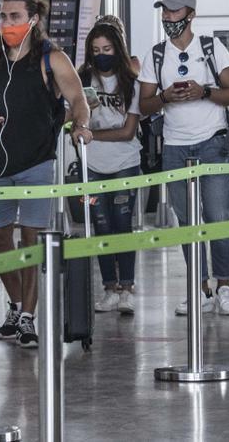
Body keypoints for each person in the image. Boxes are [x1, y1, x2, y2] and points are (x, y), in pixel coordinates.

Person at [0, 0, 90, 349]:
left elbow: (77, 99)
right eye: (3, 17)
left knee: (31, 241)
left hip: (37, 163)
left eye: (15, 17)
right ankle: (15, 305)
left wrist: (81, 124)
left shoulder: (51, 59)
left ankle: (28, 316)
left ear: (33, 19)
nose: (7, 24)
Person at [138, 0, 229, 315]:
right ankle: (200, 287)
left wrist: (205, 91)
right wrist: (166, 97)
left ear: (191, 14)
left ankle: (224, 285)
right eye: (165, 12)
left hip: (211, 142)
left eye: (174, 11)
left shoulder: (212, 48)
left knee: (217, 216)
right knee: (186, 221)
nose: (168, 17)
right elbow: (143, 106)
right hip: (173, 147)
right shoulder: (155, 55)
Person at [78, 23, 142, 314]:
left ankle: (127, 287)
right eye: (95, 51)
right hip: (92, 164)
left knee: (122, 224)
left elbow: (128, 131)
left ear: (117, 49)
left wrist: (92, 134)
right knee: (100, 225)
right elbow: (73, 119)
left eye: (107, 49)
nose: (101, 55)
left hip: (125, 162)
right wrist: (79, 123)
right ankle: (109, 287)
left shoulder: (132, 83)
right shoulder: (82, 80)